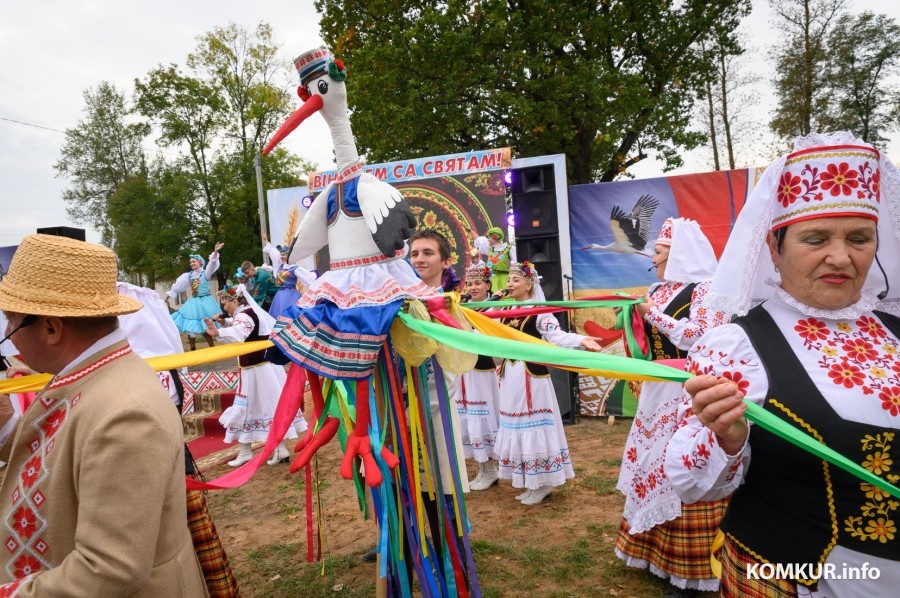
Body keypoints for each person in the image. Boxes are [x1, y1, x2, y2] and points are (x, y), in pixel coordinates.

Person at [664, 132, 900, 597]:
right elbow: (692, 485)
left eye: (859, 238)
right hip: (804, 578)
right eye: (815, 239)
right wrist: (727, 439)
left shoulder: (894, 330)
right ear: (775, 248)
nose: (841, 257)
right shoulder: (737, 344)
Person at [0, 233, 208, 595]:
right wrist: (7, 428)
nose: (7, 334)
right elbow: (65, 459)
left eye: (12, 322)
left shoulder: (126, 413)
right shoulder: (96, 376)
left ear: (51, 327)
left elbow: (109, 569)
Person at [614, 218, 730, 598]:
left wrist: (651, 313)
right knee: (652, 461)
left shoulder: (707, 290)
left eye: (660, 252)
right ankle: (653, 552)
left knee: (680, 463)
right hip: (656, 389)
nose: (654, 258)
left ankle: (691, 566)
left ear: (678, 253)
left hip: (687, 390)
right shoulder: (657, 289)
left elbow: (701, 336)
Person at [496, 261, 602, 505]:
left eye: (515, 280)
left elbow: (556, 336)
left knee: (532, 425)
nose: (509, 284)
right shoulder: (505, 308)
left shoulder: (539, 311)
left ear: (529, 284)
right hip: (511, 375)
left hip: (531, 378)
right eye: (509, 280)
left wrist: (580, 339)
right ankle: (528, 480)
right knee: (516, 425)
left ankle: (542, 483)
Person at [204, 284, 307, 467]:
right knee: (263, 408)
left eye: (226, 303)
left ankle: (253, 451)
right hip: (263, 369)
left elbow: (240, 332)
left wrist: (218, 332)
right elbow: (248, 328)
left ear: (235, 301)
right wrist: (225, 323)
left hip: (256, 371)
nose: (224, 307)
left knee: (249, 408)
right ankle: (274, 449)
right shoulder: (251, 312)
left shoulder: (244, 315)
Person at [458, 263, 502, 491]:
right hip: (463, 371)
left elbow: (483, 337)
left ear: (488, 285)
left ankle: (490, 468)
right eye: (470, 283)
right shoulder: (462, 306)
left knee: (482, 417)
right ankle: (482, 468)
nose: (473, 287)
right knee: (467, 418)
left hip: (481, 371)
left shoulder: (492, 310)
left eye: (478, 283)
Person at [167, 242, 224, 351]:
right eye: (191, 262)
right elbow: (178, 287)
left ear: (200, 262)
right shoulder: (189, 276)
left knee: (206, 325)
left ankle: (212, 349)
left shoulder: (205, 273)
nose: (192, 264)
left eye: (194, 261)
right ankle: (193, 349)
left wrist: (216, 251)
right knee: (190, 326)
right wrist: (167, 298)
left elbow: (212, 265)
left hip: (205, 301)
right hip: (193, 303)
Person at [262, 233, 316, 318]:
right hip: (279, 296)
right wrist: (266, 241)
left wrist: (314, 288)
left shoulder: (295, 268)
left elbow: (308, 279)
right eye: (281, 255)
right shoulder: (280, 265)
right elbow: (273, 253)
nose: (281, 257)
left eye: (283, 255)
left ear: (289, 255)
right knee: (278, 316)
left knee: (291, 316)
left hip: (291, 295)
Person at [472, 226, 516, 293]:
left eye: (489, 237)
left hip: (505, 278)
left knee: (505, 297)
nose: (488, 239)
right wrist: (470, 231)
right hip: (492, 279)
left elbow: (516, 263)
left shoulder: (508, 249)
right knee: (493, 297)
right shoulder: (490, 249)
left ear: (495, 237)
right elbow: (480, 241)